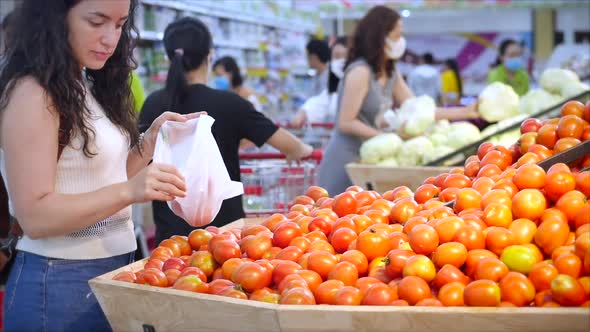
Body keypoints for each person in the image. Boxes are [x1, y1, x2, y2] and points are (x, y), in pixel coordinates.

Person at [0, 1, 199, 331]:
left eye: (120, 24)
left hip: (112, 271)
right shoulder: (32, 92)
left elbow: (104, 178)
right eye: (97, 22)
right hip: (58, 282)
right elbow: (34, 215)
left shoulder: (84, 83)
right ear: (55, 17)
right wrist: (129, 192)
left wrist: (149, 141)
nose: (111, 38)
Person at [138, 17, 313, 244]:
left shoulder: (153, 103)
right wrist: (304, 148)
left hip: (170, 238)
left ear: (169, 57)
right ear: (209, 54)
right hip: (225, 237)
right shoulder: (231, 103)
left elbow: (139, 161)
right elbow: (293, 147)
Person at [318, 6, 479, 195]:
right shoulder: (360, 71)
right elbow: (346, 122)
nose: (400, 41)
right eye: (396, 36)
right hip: (346, 159)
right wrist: (389, 137)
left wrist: (466, 111)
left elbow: (418, 109)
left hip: (371, 159)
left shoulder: (390, 72)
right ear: (380, 37)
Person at [290, 36, 348, 128]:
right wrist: (303, 113)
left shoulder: (334, 77)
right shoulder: (329, 76)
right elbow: (322, 101)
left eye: (343, 56)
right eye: (335, 56)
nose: (340, 61)